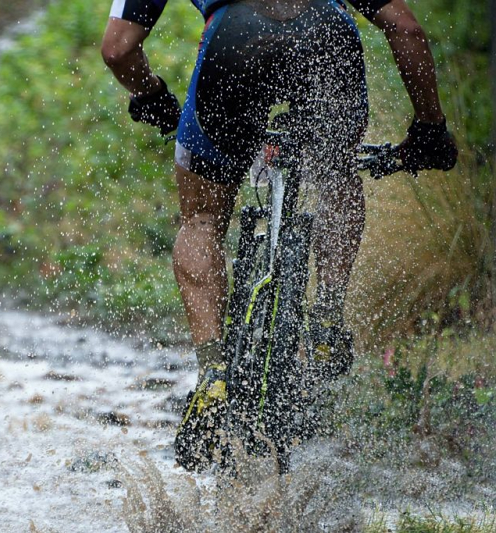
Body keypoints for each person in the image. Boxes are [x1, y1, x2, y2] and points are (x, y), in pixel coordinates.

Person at [102, 0, 457, 471]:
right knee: (335, 174)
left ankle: (212, 373)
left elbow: (117, 49)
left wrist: (149, 95)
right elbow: (405, 29)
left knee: (203, 221)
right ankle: (327, 317)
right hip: (325, 41)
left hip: (234, 42)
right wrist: (431, 125)